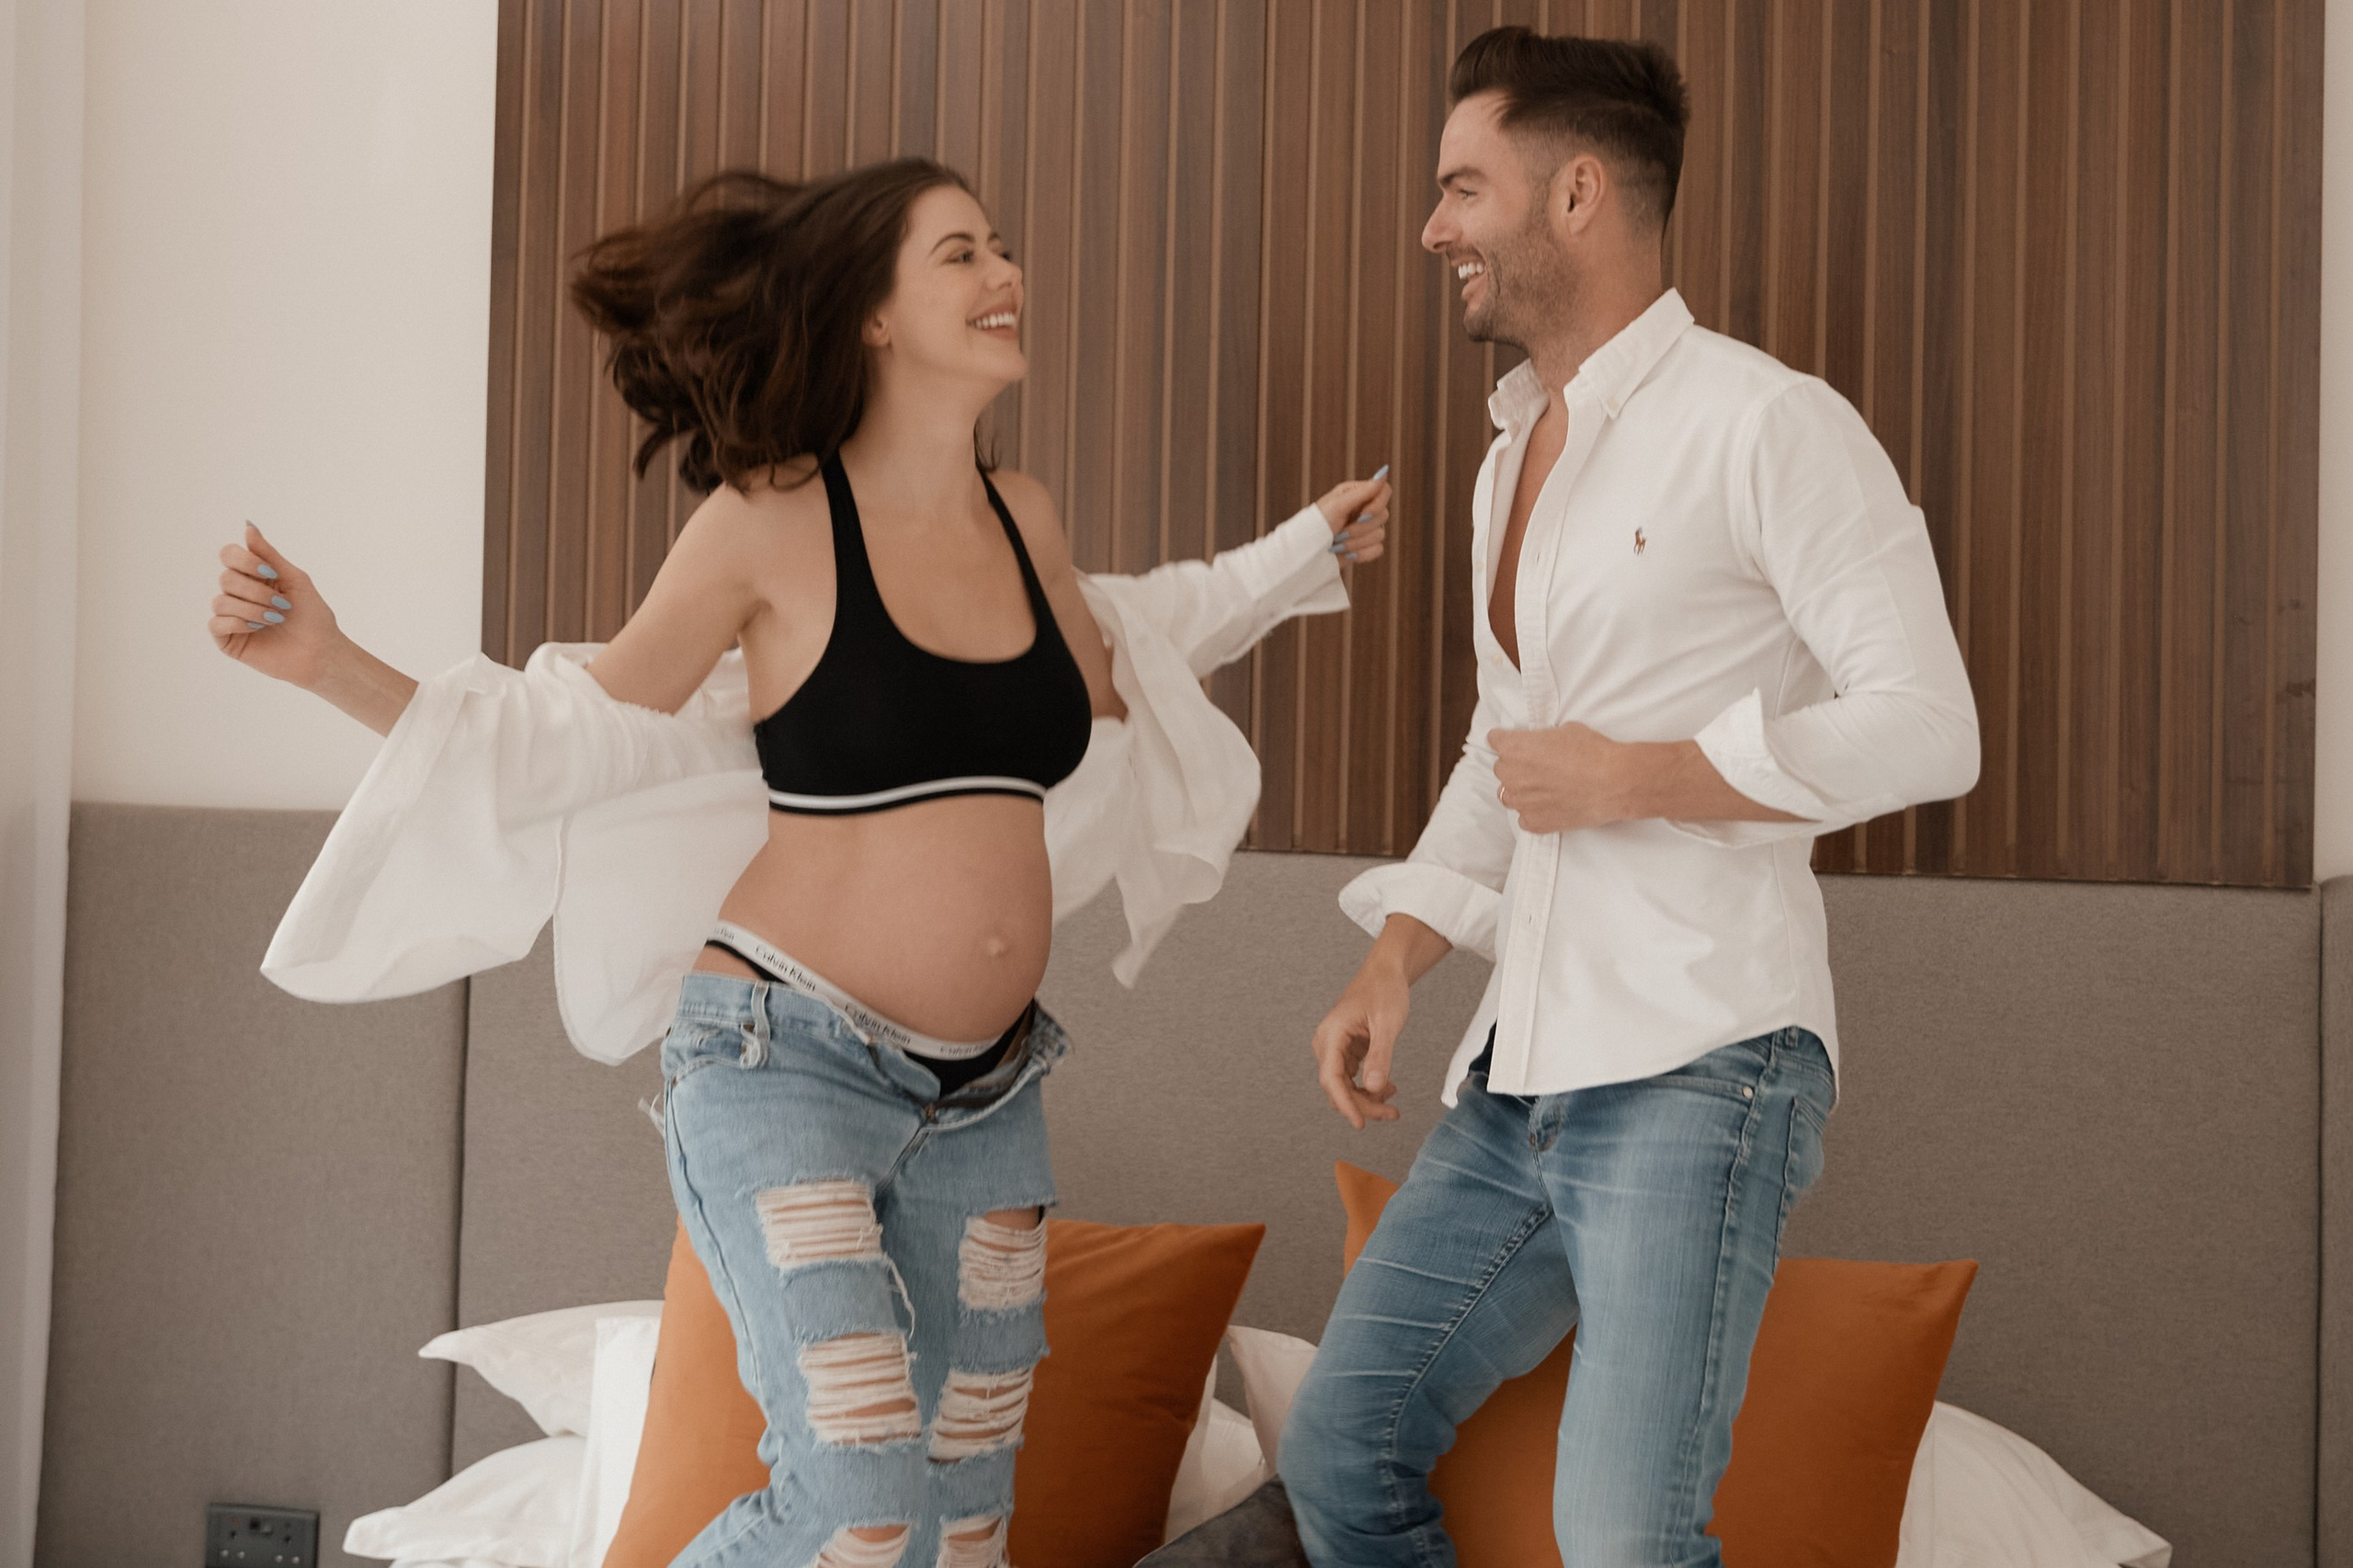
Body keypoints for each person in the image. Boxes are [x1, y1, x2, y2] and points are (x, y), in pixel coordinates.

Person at [208, 161, 1391, 1568]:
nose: (1005, 273)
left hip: (990, 1095)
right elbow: (580, 731)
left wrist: (1303, 549)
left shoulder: (1023, 519)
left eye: (1001, 247)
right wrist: (330, 661)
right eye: (961, 253)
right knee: (859, 1504)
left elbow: (1146, 630)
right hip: (787, 1066)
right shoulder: (769, 523)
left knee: (962, 1524)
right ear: (874, 315)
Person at [1279, 28, 1978, 1567]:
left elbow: (1932, 726)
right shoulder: (1507, 459)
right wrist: (1395, 957)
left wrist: (1642, 773)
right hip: (1520, 1076)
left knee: (1620, 1542)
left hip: (1703, 1064)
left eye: (1464, 188)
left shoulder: (1769, 425)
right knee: (1337, 1447)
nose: (1433, 228)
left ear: (1579, 192)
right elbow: (1506, 748)